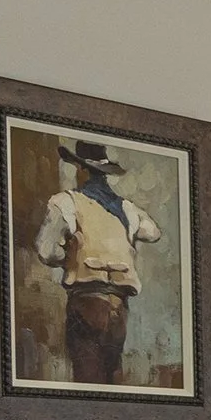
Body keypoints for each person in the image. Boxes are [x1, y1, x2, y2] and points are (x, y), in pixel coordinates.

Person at [32, 138, 161, 385]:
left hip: (86, 301)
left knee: (87, 378)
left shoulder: (65, 202)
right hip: (119, 307)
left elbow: (45, 251)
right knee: (112, 377)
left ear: (81, 169)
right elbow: (153, 232)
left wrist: (70, 257)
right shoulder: (127, 208)